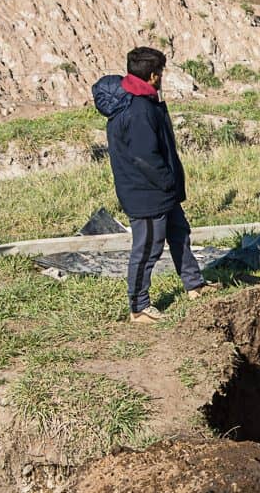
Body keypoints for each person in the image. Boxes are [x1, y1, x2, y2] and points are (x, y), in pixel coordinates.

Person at [92, 46, 217, 324]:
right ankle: (139, 307)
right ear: (151, 76)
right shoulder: (138, 110)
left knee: (179, 233)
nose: (162, 77)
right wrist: (167, 182)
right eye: (160, 72)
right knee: (147, 248)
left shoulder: (143, 100)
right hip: (146, 193)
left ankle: (194, 284)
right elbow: (144, 157)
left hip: (159, 189)